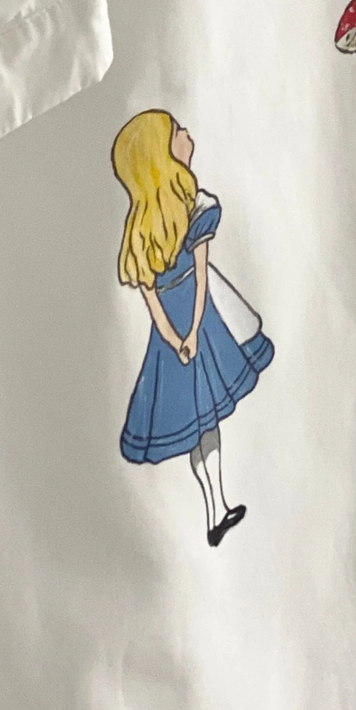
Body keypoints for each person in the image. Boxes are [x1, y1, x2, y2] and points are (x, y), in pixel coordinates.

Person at [111, 109, 274, 546]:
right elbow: (199, 281)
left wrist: (178, 339)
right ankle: (215, 509)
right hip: (195, 331)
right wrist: (189, 336)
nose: (186, 134)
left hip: (181, 337)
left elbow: (158, 305)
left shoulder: (167, 223)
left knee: (203, 422)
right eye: (176, 132)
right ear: (160, 157)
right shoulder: (184, 216)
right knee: (203, 421)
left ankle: (216, 509)